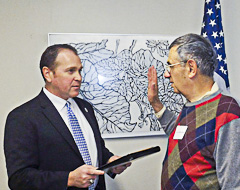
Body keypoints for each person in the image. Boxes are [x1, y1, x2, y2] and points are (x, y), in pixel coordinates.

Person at [4, 44, 129, 190]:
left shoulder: (85, 108)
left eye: (79, 71)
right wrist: (68, 179)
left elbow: (95, 149)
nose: (79, 77)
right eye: (71, 71)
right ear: (48, 74)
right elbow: (19, 179)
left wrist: (110, 162)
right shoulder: (22, 117)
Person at [148, 33, 240, 189]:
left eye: (170, 66)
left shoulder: (226, 113)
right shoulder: (192, 105)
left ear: (191, 68)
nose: (166, 74)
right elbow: (183, 138)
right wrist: (155, 102)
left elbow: (232, 185)